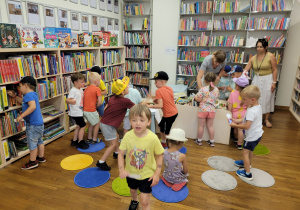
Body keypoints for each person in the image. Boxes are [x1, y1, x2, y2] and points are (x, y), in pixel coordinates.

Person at [118, 104, 164, 210]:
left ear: (148, 122)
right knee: (133, 190)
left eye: (142, 120)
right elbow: (120, 154)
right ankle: (134, 201)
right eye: (134, 120)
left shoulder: (153, 138)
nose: (138, 123)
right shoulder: (127, 136)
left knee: (145, 201)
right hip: (131, 173)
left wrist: (157, 173)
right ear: (130, 121)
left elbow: (159, 155)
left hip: (147, 175)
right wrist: (121, 170)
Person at [96, 77, 135, 171]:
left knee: (116, 137)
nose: (127, 88)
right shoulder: (125, 101)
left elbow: (106, 108)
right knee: (113, 143)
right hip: (107, 125)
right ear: (122, 92)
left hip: (106, 123)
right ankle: (101, 162)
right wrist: (145, 103)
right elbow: (136, 107)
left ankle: (117, 153)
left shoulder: (112, 98)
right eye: (126, 88)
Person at [7, 76, 45, 170]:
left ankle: (32, 162)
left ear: (26, 85)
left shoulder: (28, 95)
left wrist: (21, 116)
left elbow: (32, 107)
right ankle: (41, 157)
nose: (19, 89)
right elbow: (24, 102)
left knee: (32, 144)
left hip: (32, 125)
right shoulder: (33, 94)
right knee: (39, 141)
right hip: (39, 124)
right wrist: (15, 97)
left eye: (20, 86)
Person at [229, 85, 264, 180]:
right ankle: (248, 163)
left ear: (252, 99)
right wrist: (236, 120)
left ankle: (248, 173)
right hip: (257, 135)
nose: (242, 101)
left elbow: (246, 126)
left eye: (244, 99)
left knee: (245, 152)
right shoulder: (256, 106)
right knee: (249, 151)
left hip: (252, 137)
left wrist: (234, 126)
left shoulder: (252, 111)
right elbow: (246, 119)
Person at [243, 38, 278, 128]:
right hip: (257, 79)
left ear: (266, 47)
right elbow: (246, 69)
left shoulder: (271, 56)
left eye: (261, 47)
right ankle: (254, 118)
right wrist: (241, 74)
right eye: (257, 47)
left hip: (268, 79)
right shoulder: (253, 58)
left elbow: (275, 70)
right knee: (254, 98)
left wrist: (274, 82)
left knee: (267, 98)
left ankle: (266, 119)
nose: (258, 49)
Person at [147, 71, 178, 148]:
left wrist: (149, 106)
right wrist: (155, 100)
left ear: (162, 82)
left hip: (169, 114)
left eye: (156, 81)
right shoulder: (169, 88)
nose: (154, 83)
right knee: (161, 126)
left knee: (166, 131)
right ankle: (164, 142)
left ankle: (170, 147)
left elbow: (160, 105)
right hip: (174, 112)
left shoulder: (158, 91)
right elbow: (166, 99)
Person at [194, 72, 219, 147]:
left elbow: (199, 99)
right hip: (212, 110)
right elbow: (216, 99)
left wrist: (195, 97)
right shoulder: (216, 89)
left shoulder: (203, 89)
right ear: (214, 80)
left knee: (201, 126)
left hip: (203, 109)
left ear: (204, 80)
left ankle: (199, 140)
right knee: (210, 126)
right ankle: (212, 141)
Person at [66, 72, 89, 149]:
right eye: (81, 82)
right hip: (76, 112)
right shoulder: (73, 90)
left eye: (83, 81)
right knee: (83, 126)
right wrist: (71, 101)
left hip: (79, 111)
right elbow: (67, 100)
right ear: (75, 82)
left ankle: (75, 140)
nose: (83, 83)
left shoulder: (79, 89)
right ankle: (80, 141)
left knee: (79, 126)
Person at [228, 76, 249, 150]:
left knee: (235, 127)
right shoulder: (247, 94)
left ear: (237, 87)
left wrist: (230, 112)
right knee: (240, 129)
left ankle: (236, 138)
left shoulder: (233, 93)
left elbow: (230, 104)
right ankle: (239, 144)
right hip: (243, 113)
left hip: (235, 113)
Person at [83, 72, 102, 143]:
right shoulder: (97, 89)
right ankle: (94, 139)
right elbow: (99, 102)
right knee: (97, 123)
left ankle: (89, 137)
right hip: (92, 110)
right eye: (99, 81)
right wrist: (96, 107)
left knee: (91, 123)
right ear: (96, 81)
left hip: (85, 110)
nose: (100, 82)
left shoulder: (86, 89)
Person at [89, 66, 108, 134]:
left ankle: (105, 127)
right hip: (94, 102)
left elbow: (105, 91)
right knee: (95, 116)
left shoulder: (101, 82)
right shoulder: (91, 81)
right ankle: (97, 128)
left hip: (100, 102)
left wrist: (98, 94)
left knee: (103, 114)